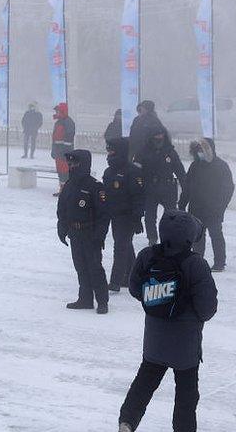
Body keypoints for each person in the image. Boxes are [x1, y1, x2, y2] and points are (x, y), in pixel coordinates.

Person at [118, 210, 217, 432]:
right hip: (185, 342)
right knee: (187, 391)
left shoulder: (147, 255)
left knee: (144, 382)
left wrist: (157, 301)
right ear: (190, 237)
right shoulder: (196, 264)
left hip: (154, 337)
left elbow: (134, 288)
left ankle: (127, 421)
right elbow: (207, 307)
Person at [57, 149, 110, 314]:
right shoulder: (69, 185)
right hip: (75, 233)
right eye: (70, 163)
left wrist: (99, 236)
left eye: (74, 163)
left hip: (90, 233)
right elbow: (62, 209)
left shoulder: (95, 187)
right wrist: (62, 227)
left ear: (84, 164)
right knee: (80, 267)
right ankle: (85, 299)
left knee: (95, 268)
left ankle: (102, 301)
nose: (71, 166)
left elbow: (104, 215)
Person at [179, 138, 234, 272]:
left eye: (202, 150)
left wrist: (220, 206)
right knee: (197, 236)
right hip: (196, 208)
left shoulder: (221, 166)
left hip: (214, 209)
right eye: (198, 151)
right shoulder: (194, 166)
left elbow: (228, 188)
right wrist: (182, 203)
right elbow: (187, 187)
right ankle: (198, 260)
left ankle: (219, 263)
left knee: (216, 235)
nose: (200, 153)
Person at [103, 138, 146, 292]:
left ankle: (115, 281)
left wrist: (137, 218)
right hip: (114, 216)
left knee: (120, 247)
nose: (109, 153)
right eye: (108, 150)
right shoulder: (109, 171)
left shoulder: (133, 172)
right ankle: (133, 276)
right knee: (125, 246)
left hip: (127, 216)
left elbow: (138, 197)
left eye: (112, 150)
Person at [135, 128, 185, 246]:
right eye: (156, 136)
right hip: (150, 187)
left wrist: (186, 189)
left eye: (161, 136)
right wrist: (137, 187)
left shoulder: (170, 152)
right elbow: (135, 171)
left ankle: (169, 237)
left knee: (171, 215)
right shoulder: (143, 151)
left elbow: (180, 172)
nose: (158, 138)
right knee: (150, 216)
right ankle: (152, 239)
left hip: (168, 188)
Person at [128, 100, 164, 164]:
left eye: (143, 108)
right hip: (137, 152)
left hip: (149, 153)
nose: (141, 109)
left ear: (148, 109)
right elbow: (132, 135)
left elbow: (159, 137)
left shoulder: (154, 121)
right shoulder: (137, 119)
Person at [51, 102, 76, 194]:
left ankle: (66, 191)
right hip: (59, 152)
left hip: (64, 153)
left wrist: (65, 152)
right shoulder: (59, 122)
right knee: (61, 173)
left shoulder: (68, 122)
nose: (56, 113)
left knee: (65, 173)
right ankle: (62, 190)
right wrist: (54, 151)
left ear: (62, 111)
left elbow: (69, 138)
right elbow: (55, 139)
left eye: (57, 111)